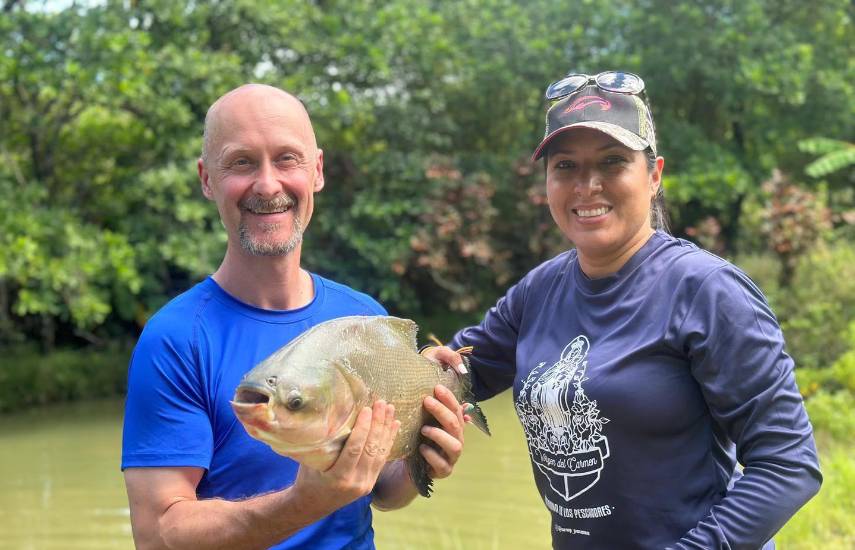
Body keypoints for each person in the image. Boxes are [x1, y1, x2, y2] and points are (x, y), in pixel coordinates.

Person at [425, 70, 822, 549]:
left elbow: (788, 463)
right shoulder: (539, 290)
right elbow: (462, 368)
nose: (587, 185)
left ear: (654, 176)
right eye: (565, 166)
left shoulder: (708, 291)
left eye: (612, 162)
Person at [121, 83, 467, 550]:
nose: (268, 185)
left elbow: (384, 490)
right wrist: (305, 502)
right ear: (206, 179)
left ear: (317, 170)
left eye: (287, 158)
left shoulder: (363, 320)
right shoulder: (176, 339)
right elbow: (157, 536)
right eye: (241, 162)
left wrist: (424, 456)